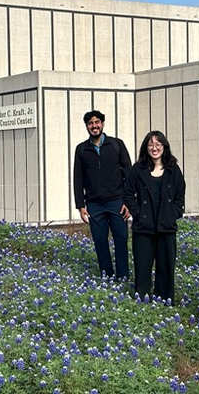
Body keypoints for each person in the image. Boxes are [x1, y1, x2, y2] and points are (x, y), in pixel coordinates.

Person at [123, 130, 186, 301]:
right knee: (142, 267)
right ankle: (142, 299)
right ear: (146, 147)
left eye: (158, 144)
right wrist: (137, 213)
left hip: (166, 225)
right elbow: (128, 194)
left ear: (164, 147)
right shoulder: (138, 169)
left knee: (166, 266)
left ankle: (165, 299)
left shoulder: (173, 169)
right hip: (143, 227)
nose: (154, 148)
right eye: (151, 144)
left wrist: (175, 213)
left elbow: (180, 194)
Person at [73, 109, 132, 279]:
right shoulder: (82, 149)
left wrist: (129, 201)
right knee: (100, 242)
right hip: (94, 204)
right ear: (87, 126)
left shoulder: (116, 144)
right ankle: (107, 276)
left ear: (102, 124)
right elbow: (78, 178)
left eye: (97, 122)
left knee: (121, 240)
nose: (94, 126)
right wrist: (80, 206)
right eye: (90, 123)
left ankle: (123, 277)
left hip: (117, 201)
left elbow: (129, 173)